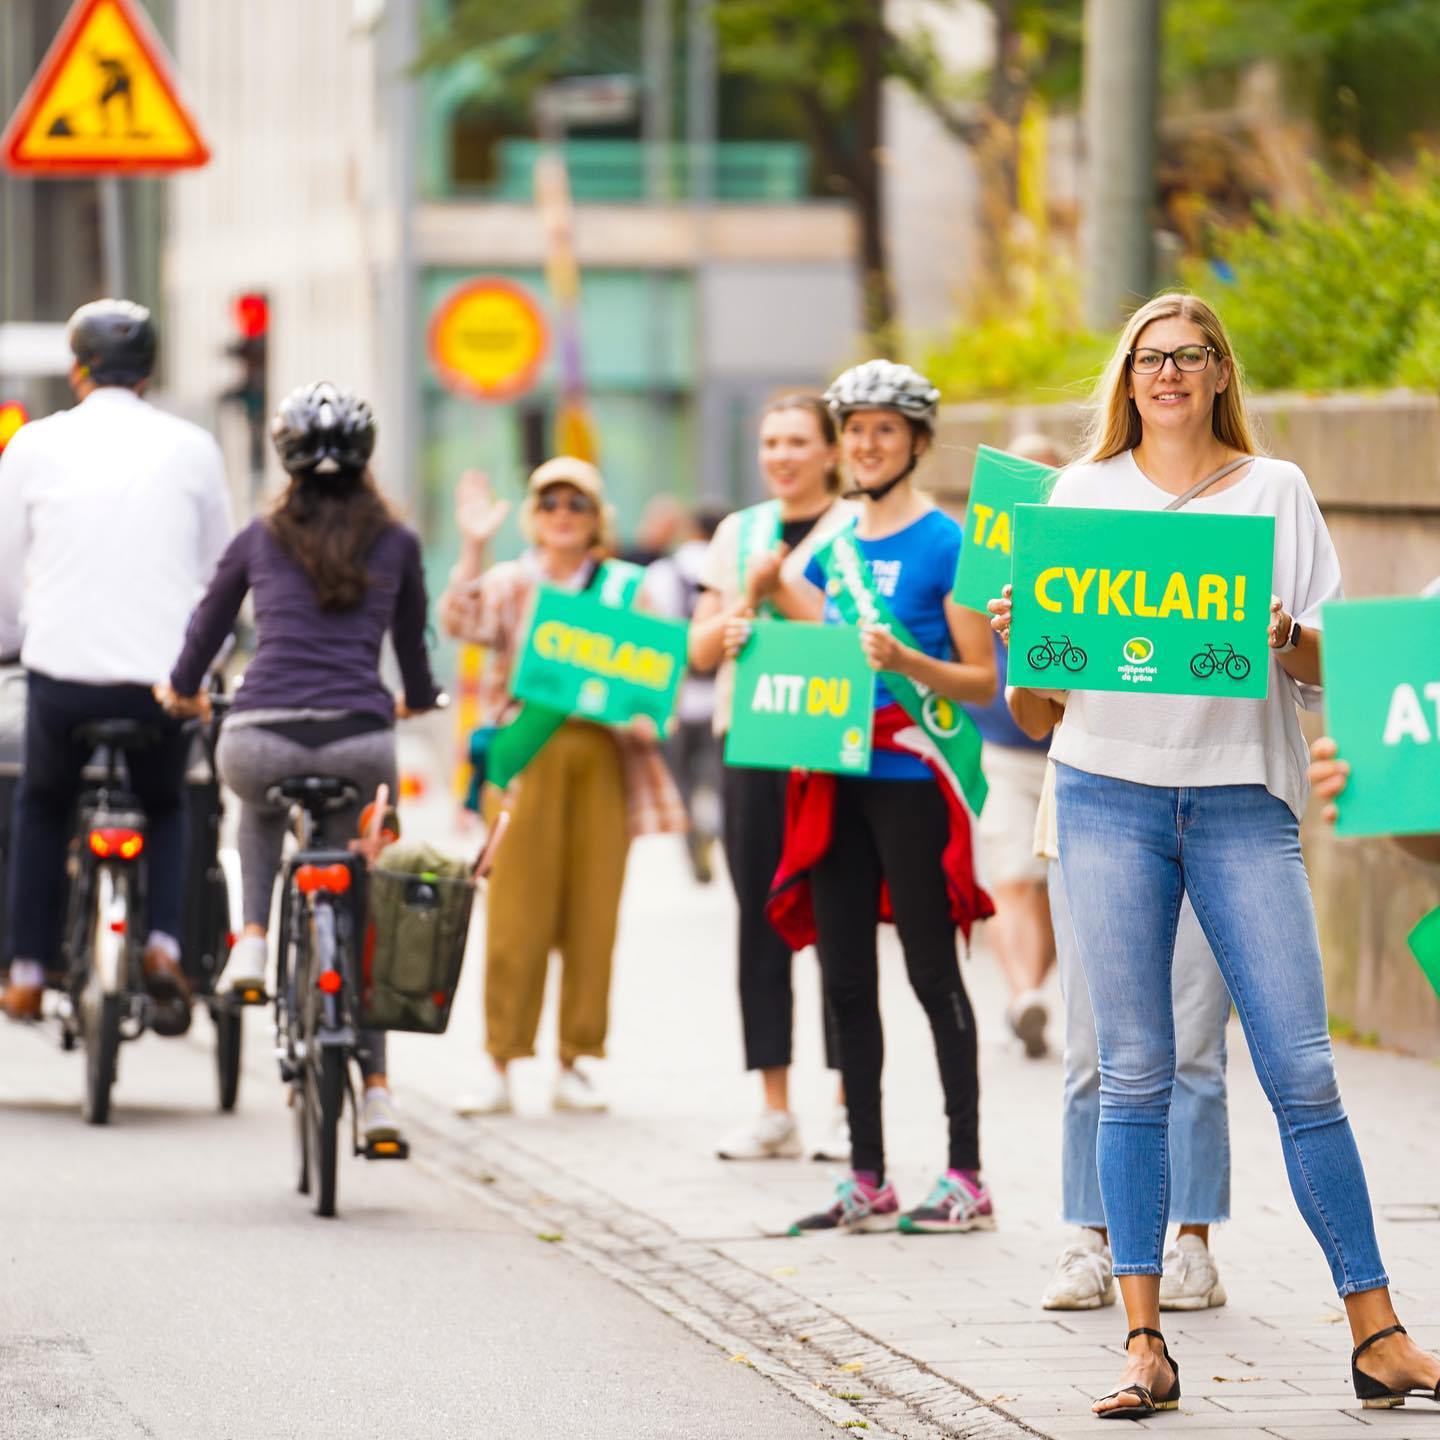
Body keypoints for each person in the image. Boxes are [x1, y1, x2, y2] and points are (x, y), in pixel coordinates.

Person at [989, 293, 1440, 1418]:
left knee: (1303, 1070)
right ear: (1128, 378)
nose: (1171, 374)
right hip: (1107, 800)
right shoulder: (1077, 495)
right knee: (1133, 1075)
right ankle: (1144, 1346)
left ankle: (1377, 1332)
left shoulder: (1275, 491)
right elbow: (1040, 712)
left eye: (1191, 356)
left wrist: (1284, 636)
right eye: (1152, 358)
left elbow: (1336, 670)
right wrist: (1026, 644)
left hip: (1242, 801)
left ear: (1222, 372)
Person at [750, 361, 999, 1235]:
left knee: (933, 973)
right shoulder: (833, 542)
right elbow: (810, 635)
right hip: (833, 773)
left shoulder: (946, 542)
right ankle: (868, 1175)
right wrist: (756, 617)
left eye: (884, 430)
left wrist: (907, 663)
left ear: (918, 444)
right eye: (854, 429)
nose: (864, 443)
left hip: (911, 776)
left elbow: (978, 679)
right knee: (846, 980)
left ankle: (966, 1173)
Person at [160, 382, 441, 1146]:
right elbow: (413, 655)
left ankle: (251, 936)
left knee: (255, 801)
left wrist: (182, 689)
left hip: (261, 732)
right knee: (357, 900)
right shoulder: (399, 543)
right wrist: (416, 698)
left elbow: (207, 629)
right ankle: (377, 1094)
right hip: (361, 741)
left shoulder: (258, 538)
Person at [0, 299, 231, 1029]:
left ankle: (29, 968)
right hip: (161, 678)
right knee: (166, 805)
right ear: (150, 376)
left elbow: (6, 570)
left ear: (77, 372)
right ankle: (164, 943)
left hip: (62, 673)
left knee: (41, 804)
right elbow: (217, 575)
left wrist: (11, 639)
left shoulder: (32, 446)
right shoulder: (195, 449)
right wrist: (209, 660)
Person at [440, 459, 686, 1117]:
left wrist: (644, 715)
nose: (563, 513)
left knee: (593, 916)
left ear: (596, 516)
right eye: (550, 502)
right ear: (534, 514)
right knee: (514, 916)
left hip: (604, 759)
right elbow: (459, 620)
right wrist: (472, 542)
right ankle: (501, 1060)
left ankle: (576, 1061)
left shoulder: (629, 589)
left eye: (577, 502)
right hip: (527, 759)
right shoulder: (510, 582)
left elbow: (658, 672)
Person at [1007, 691, 1232, 1314]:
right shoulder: (1073, 587)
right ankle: (1090, 1239)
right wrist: (1028, 651)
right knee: (1090, 1051)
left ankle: (1192, 1244)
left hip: (1207, 814)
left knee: (1193, 1047)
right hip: (1087, 824)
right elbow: (1028, 717)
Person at [688, 395, 855, 1162]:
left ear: (830, 450)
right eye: (769, 442)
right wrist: (725, 625)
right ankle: (774, 1105)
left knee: (839, 922)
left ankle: (852, 1101)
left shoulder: (858, 525)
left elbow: (856, 634)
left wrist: (778, 588)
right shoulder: (737, 532)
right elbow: (696, 650)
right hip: (750, 740)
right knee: (760, 918)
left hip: (827, 740)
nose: (782, 455)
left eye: (797, 441)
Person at [964, 432, 1064, 1058]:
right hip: (1000, 745)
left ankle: (1028, 992)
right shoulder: (982, 564)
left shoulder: (1086, 554)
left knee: (1052, 889)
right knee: (1012, 876)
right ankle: (1024, 994)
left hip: (1065, 747)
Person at [647, 505, 727, 885]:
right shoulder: (733, 571)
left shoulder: (663, 573)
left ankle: (693, 829)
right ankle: (714, 823)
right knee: (717, 779)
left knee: (681, 782)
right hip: (720, 699)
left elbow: (651, 634)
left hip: (675, 699)